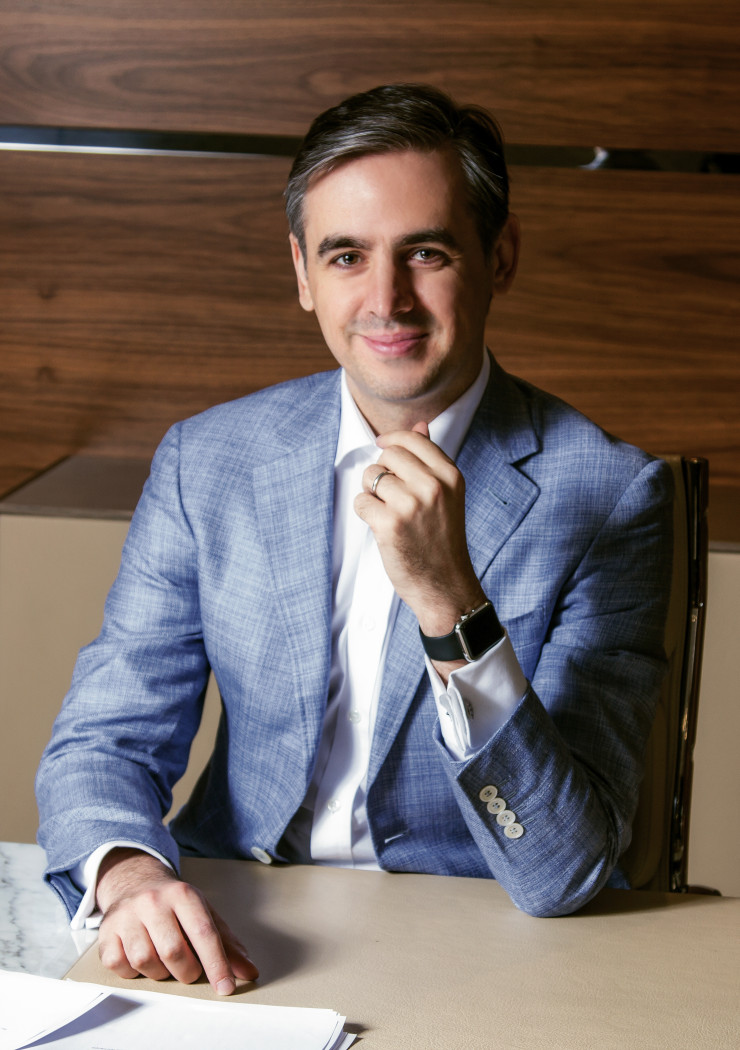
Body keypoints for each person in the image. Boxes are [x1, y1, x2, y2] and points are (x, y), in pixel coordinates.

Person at [36, 84, 673, 996]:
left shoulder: (611, 495)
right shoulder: (207, 460)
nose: (387, 300)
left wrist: (451, 604)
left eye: (426, 252)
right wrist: (131, 875)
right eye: (346, 256)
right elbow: (105, 739)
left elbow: (563, 869)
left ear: (499, 258)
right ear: (303, 273)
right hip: (235, 932)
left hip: (489, 949)